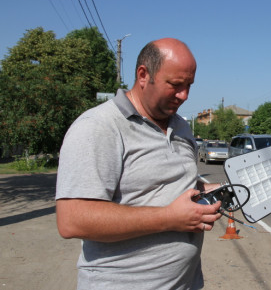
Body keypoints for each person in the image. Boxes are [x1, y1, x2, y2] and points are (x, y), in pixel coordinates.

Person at [56, 38, 222, 290]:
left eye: (189, 85)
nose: (185, 95)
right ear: (143, 75)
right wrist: (168, 218)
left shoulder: (181, 126)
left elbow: (171, 183)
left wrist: (208, 191)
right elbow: (72, 219)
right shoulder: (98, 127)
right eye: (176, 85)